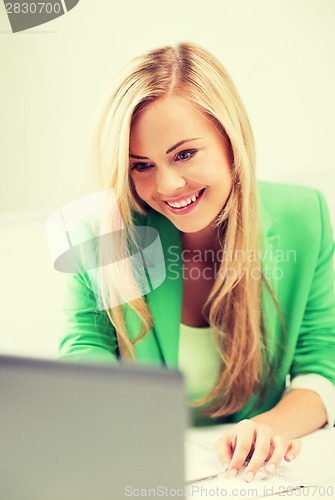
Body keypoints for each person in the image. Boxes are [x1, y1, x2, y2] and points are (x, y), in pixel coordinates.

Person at [59, 41, 335, 483]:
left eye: (185, 154)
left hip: (247, 478)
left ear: (231, 140)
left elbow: (322, 366)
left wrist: (267, 430)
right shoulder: (99, 232)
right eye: (141, 165)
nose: (167, 184)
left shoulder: (307, 218)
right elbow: (84, 349)